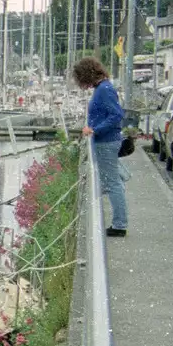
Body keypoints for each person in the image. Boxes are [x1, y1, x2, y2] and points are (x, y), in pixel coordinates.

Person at [73, 57, 128, 237]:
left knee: (112, 182)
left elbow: (116, 115)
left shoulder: (104, 90)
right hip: (106, 141)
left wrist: (95, 130)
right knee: (111, 180)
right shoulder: (103, 88)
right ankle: (118, 220)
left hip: (106, 141)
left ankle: (120, 224)